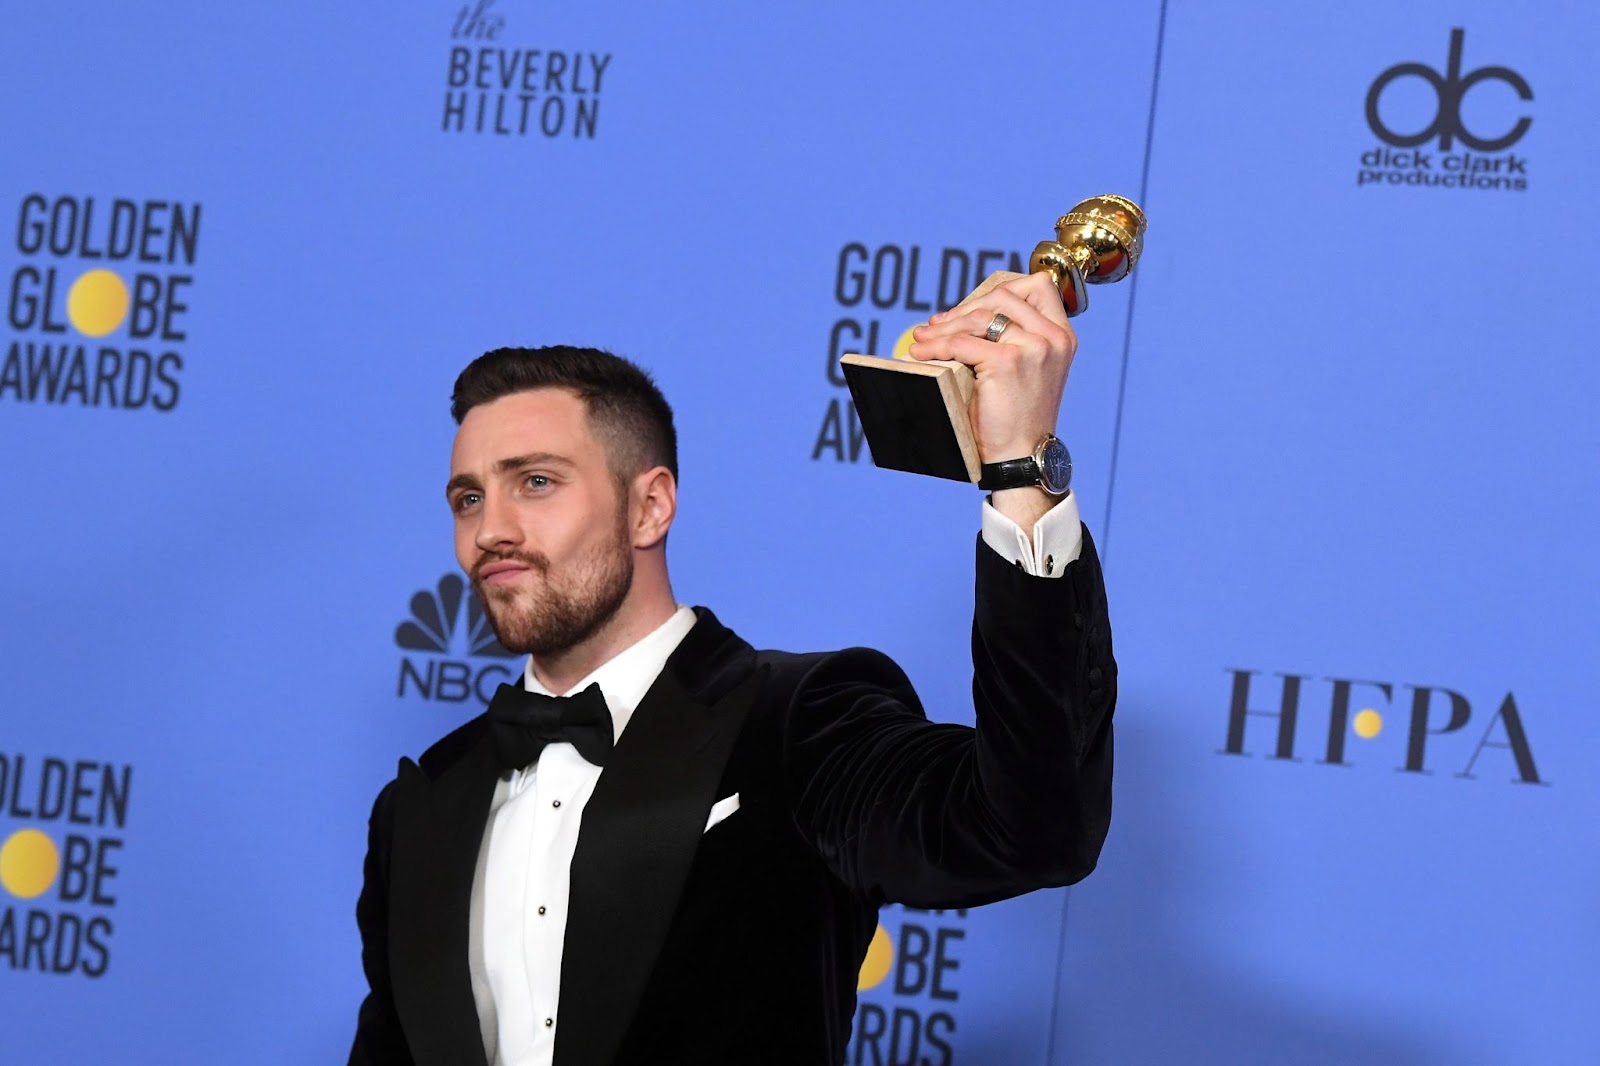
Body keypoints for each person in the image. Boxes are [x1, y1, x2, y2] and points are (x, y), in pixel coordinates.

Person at [349, 270, 1116, 1066]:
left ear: (651, 506)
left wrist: (1021, 472)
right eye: (467, 499)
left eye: (535, 482)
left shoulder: (796, 722)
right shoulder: (418, 809)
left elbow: (1030, 829)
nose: (490, 530)